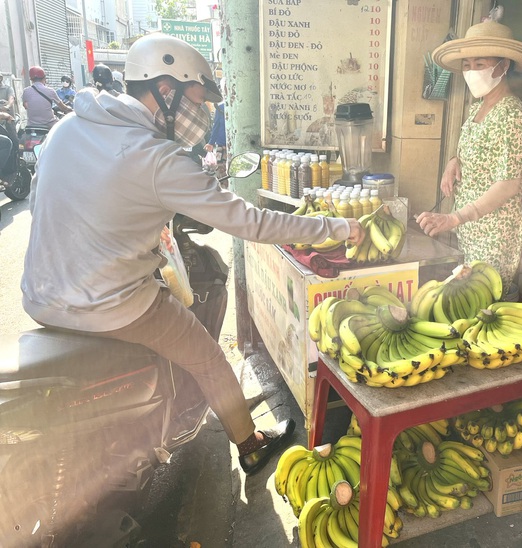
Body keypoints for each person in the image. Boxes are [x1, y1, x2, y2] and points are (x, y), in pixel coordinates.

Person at [21, 33, 365, 475]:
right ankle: (251, 442)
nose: (203, 115)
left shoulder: (65, 127)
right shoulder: (157, 159)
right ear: (166, 91)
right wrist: (336, 227)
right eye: (198, 100)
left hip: (40, 298)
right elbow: (251, 222)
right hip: (110, 304)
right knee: (208, 357)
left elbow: (42, 202)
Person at [416, 15, 522, 291]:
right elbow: (475, 149)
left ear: (503, 65)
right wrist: (453, 161)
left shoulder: (511, 114)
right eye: (467, 65)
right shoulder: (477, 108)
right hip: (470, 232)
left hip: (494, 234)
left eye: (480, 64)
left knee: (487, 304)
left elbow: (508, 184)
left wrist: (455, 218)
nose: (472, 71)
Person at [204, 77, 227, 178]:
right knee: (222, 169)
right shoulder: (220, 108)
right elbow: (216, 126)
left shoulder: (221, 107)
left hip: (225, 144)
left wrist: (211, 142)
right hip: (222, 144)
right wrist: (211, 142)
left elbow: (216, 126)